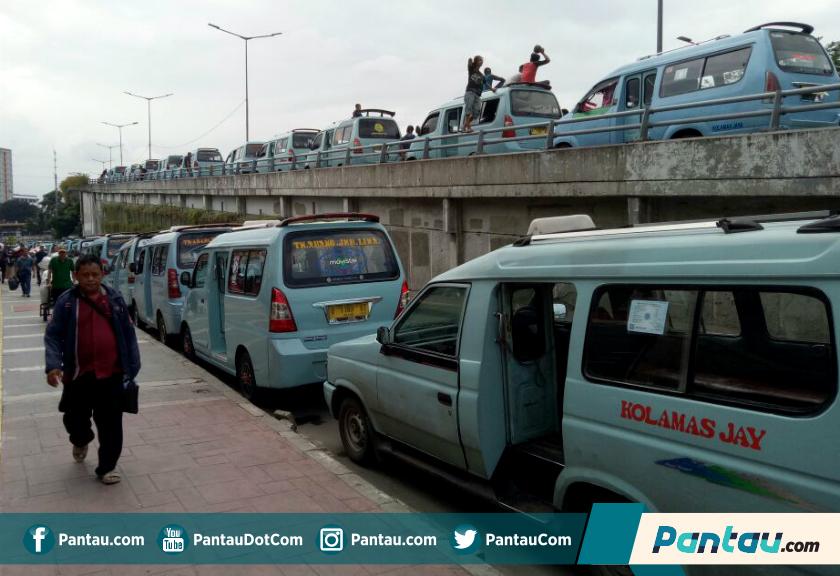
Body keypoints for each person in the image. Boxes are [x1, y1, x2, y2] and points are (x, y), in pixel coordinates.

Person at [44, 255, 141, 486]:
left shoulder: (114, 300)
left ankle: (107, 467)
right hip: (79, 375)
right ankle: (81, 439)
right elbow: (53, 335)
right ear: (75, 276)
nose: (90, 279)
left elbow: (129, 335)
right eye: (85, 275)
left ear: (102, 275)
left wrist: (132, 368)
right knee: (74, 419)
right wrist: (53, 365)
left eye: (94, 274)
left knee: (111, 425)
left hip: (111, 375)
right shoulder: (67, 302)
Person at [464, 55, 485, 133]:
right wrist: (471, 60)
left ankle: (466, 124)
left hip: (477, 94)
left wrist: (492, 88)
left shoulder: (481, 75)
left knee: (477, 112)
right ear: (476, 61)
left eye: (481, 60)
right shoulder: (471, 69)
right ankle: (467, 127)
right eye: (479, 60)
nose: (481, 62)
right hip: (470, 92)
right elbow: (469, 61)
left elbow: (485, 82)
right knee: (468, 108)